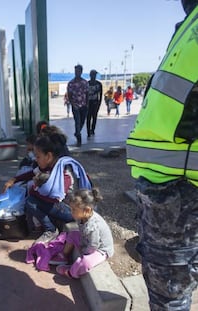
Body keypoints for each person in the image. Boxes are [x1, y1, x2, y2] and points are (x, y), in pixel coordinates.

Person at [126, 1, 198, 309]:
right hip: (166, 185)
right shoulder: (191, 21)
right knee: (166, 289)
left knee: (170, 295)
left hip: (181, 188)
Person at [4, 125, 92, 245]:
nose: (35, 159)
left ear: (49, 156)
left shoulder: (64, 172)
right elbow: (32, 173)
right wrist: (14, 179)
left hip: (72, 210)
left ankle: (50, 230)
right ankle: (47, 225)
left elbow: (55, 198)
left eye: (38, 156)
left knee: (31, 201)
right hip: (61, 206)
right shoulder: (49, 166)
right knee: (31, 196)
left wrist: (35, 190)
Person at [55, 188, 114, 278]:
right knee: (72, 235)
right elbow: (83, 233)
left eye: (74, 210)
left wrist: (84, 252)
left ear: (87, 210)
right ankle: (64, 255)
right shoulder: (81, 217)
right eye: (71, 209)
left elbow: (93, 246)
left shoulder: (93, 226)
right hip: (87, 240)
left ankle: (71, 273)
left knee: (85, 261)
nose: (71, 212)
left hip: (101, 250)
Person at [67, 64, 89, 146]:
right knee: (77, 121)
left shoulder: (85, 82)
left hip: (83, 105)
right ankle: (79, 138)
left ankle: (77, 132)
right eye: (76, 71)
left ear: (81, 72)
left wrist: (87, 104)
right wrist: (72, 103)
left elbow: (87, 93)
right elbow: (69, 95)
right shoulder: (71, 83)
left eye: (79, 71)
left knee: (82, 121)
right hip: (75, 105)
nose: (77, 73)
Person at [86, 69, 103, 137]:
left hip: (95, 102)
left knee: (94, 117)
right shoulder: (87, 83)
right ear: (90, 75)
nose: (94, 76)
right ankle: (88, 131)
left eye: (95, 75)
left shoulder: (99, 84)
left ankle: (92, 129)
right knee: (88, 117)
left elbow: (100, 94)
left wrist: (99, 104)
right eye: (93, 74)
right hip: (88, 102)